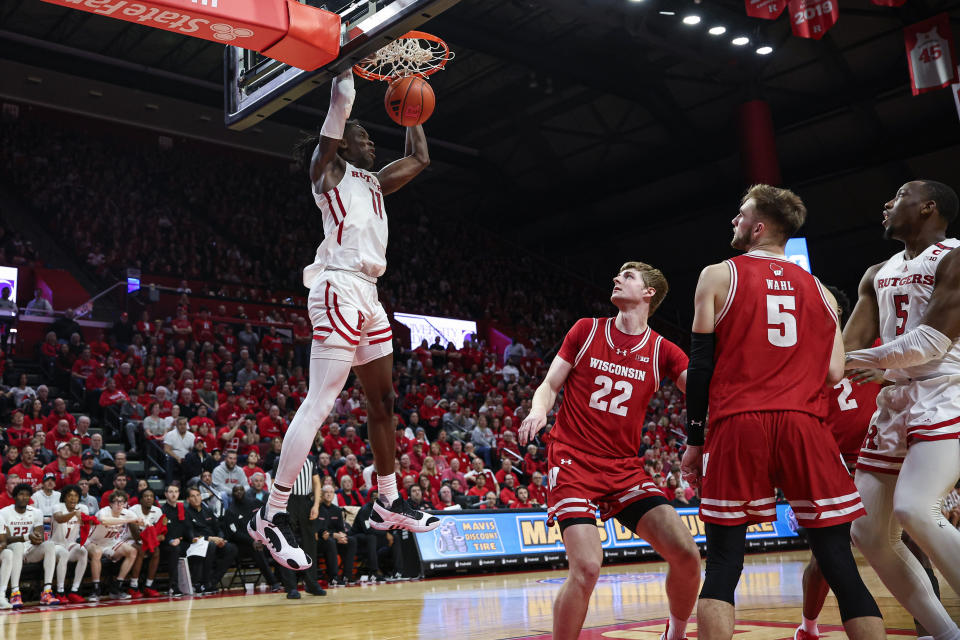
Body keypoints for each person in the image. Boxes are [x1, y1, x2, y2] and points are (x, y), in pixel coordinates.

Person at [249, 68, 438, 571]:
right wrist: (345, 68)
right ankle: (270, 513)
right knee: (322, 400)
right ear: (341, 143)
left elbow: (419, 157)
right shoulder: (326, 173)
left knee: (384, 401)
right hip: (337, 286)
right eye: (362, 134)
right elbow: (340, 104)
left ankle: (386, 501)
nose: (370, 139)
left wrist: (413, 111)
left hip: (370, 294)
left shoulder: (373, 181)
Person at [679, 184, 884, 640]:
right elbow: (834, 373)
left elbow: (700, 366)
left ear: (757, 226)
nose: (734, 221)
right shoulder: (823, 294)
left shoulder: (717, 275)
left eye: (740, 214)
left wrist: (695, 440)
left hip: (739, 424)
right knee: (841, 566)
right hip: (804, 425)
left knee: (725, 564)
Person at [519, 261, 702, 640]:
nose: (617, 278)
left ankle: (677, 634)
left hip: (624, 468)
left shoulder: (662, 351)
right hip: (572, 459)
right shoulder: (586, 329)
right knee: (586, 568)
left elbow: (703, 395)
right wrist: (539, 409)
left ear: (649, 293)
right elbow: (550, 385)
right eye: (618, 273)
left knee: (686, 554)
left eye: (628, 276)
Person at [840, 180, 960, 640]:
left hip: (944, 389)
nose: (888, 203)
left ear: (929, 207)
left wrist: (867, 360)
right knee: (867, 533)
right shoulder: (877, 271)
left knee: (916, 508)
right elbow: (849, 343)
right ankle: (946, 633)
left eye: (901, 195)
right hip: (896, 401)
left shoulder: (954, 256)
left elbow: (931, 342)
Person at [0, 483, 60, 608]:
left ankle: (47, 591)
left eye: (27, 495)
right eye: (21, 494)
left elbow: (40, 534)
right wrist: (27, 537)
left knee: (49, 544)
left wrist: (37, 538)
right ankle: (15, 592)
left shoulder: (36, 512)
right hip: (13, 549)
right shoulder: (4, 513)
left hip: (30, 550)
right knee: (18, 546)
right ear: (15, 497)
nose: (25, 497)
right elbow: (5, 540)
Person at [273, 456, 325, 599]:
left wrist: (316, 505)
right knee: (287, 544)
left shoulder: (310, 459)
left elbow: (316, 483)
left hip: (306, 502)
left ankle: (312, 584)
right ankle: (291, 588)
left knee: (310, 545)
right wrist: (278, 506)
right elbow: (274, 483)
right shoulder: (281, 459)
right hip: (287, 501)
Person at [86, 489, 143, 601]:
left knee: (132, 551)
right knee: (97, 552)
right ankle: (96, 590)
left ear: (125, 503)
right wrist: (129, 520)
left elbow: (139, 521)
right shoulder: (103, 511)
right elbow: (104, 521)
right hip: (92, 541)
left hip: (110, 542)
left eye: (122, 502)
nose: (119, 504)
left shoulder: (127, 513)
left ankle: (117, 586)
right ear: (111, 504)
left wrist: (144, 522)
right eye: (116, 501)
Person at [183, 486, 238, 595]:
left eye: (198, 495)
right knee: (210, 545)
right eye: (193, 496)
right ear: (188, 499)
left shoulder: (207, 510)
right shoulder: (186, 513)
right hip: (196, 544)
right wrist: (210, 539)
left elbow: (217, 528)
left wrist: (221, 538)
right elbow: (191, 534)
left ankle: (213, 581)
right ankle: (205, 582)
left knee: (232, 548)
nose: (196, 498)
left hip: (214, 541)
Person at [50, 484, 90, 603]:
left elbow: (87, 524)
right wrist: (74, 513)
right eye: (70, 496)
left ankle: (74, 591)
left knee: (83, 551)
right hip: (56, 544)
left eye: (76, 496)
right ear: (64, 497)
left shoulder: (83, 508)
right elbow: (59, 519)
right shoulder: (57, 506)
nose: (73, 498)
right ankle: (60, 591)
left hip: (71, 544)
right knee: (63, 553)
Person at [127, 488, 165, 598]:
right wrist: (153, 537)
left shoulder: (158, 511)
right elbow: (135, 534)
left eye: (151, 496)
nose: (149, 498)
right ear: (140, 500)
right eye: (146, 496)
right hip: (130, 539)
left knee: (156, 551)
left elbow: (161, 534)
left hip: (147, 540)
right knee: (141, 549)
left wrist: (156, 537)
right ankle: (133, 586)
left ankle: (149, 585)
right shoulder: (133, 510)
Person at [315, 485, 356, 587]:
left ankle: (347, 575)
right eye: (326, 492)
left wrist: (342, 536)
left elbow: (341, 528)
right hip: (321, 540)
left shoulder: (337, 510)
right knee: (330, 541)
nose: (329, 494)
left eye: (331, 492)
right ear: (322, 495)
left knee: (351, 541)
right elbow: (320, 530)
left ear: (334, 495)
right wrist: (334, 535)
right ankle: (333, 578)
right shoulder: (317, 508)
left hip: (335, 538)